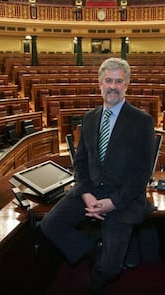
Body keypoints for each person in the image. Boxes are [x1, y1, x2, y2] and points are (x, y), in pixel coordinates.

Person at [40, 57, 155, 294]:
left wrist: (113, 203)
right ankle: (94, 250)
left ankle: (99, 272)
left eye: (119, 81)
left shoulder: (142, 121)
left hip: (121, 197)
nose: (113, 86)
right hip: (90, 190)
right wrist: (86, 195)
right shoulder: (90, 118)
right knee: (49, 225)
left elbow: (142, 172)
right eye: (108, 80)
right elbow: (80, 162)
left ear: (127, 85)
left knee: (111, 268)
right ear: (100, 83)